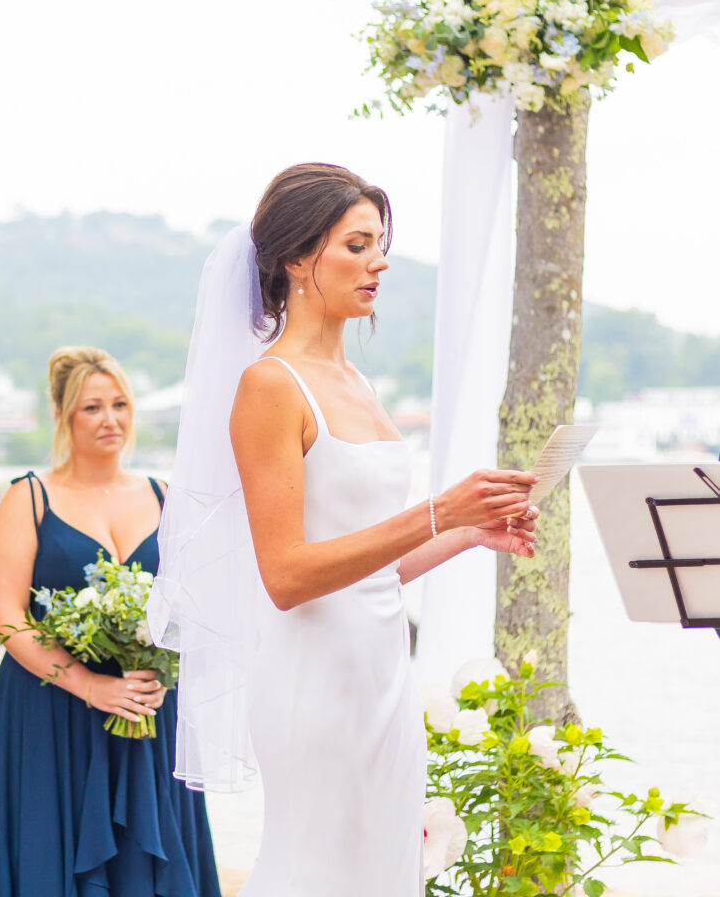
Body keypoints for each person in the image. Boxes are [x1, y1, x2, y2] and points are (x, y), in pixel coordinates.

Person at [150, 163, 538, 897]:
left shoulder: (357, 382)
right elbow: (288, 576)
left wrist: (469, 532)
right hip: (312, 679)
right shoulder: (270, 386)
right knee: (315, 871)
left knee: (384, 868)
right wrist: (437, 512)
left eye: (380, 244)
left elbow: (370, 560)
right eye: (357, 245)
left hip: (383, 670)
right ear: (298, 258)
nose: (379, 262)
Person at [0, 346, 221, 897]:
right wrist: (88, 685)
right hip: (51, 716)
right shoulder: (27, 499)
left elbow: (197, 603)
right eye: (91, 408)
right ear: (61, 417)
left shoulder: (164, 498)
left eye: (120, 404)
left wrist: (162, 662)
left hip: (146, 711)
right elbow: (3, 616)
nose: (111, 420)